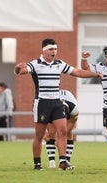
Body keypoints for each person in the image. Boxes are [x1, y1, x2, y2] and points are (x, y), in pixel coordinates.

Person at [14, 38, 102, 170]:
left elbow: (77, 72)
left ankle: (63, 161)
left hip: (56, 102)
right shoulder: (36, 64)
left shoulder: (59, 64)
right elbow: (22, 71)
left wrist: (95, 74)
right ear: (44, 50)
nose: (54, 51)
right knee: (39, 134)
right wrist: (17, 68)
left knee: (63, 131)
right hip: (42, 102)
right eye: (51, 49)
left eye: (55, 49)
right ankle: (37, 163)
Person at [44, 89, 79, 168]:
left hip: (68, 107)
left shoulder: (74, 110)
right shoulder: (49, 108)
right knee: (51, 133)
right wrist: (48, 134)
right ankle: (51, 161)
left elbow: (70, 125)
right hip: (53, 107)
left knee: (68, 134)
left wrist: (60, 138)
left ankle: (67, 160)